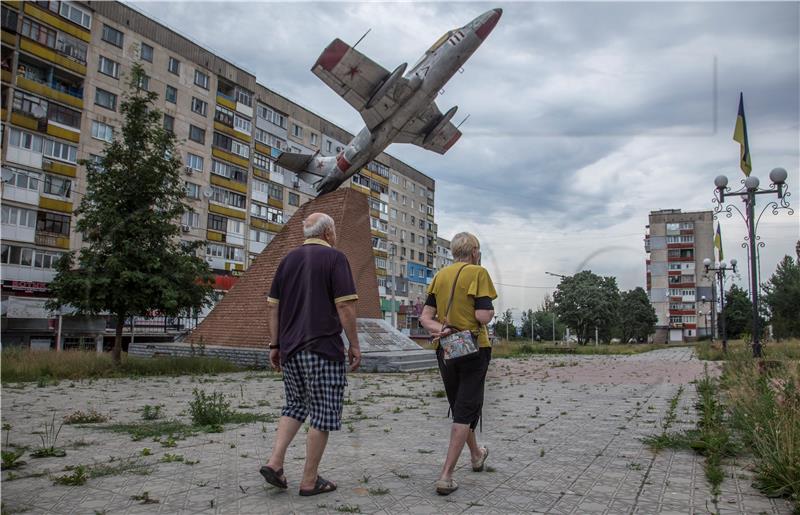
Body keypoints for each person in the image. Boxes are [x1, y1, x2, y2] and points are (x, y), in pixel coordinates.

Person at [260, 212, 362, 496]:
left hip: (290, 350)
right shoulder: (335, 259)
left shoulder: (287, 260)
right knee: (321, 414)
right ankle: (309, 480)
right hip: (322, 349)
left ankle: (275, 462)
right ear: (329, 232)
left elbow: (272, 306)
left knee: (294, 406)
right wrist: (354, 344)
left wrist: (274, 344)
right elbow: (345, 307)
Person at [419, 232, 497, 495]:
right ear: (474, 251)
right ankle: (446, 475)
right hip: (474, 347)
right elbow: (482, 315)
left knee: (459, 405)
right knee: (465, 409)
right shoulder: (478, 273)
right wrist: (487, 313)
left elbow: (425, 317)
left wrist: (442, 328)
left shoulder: (440, 276)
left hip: (446, 348)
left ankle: (476, 454)